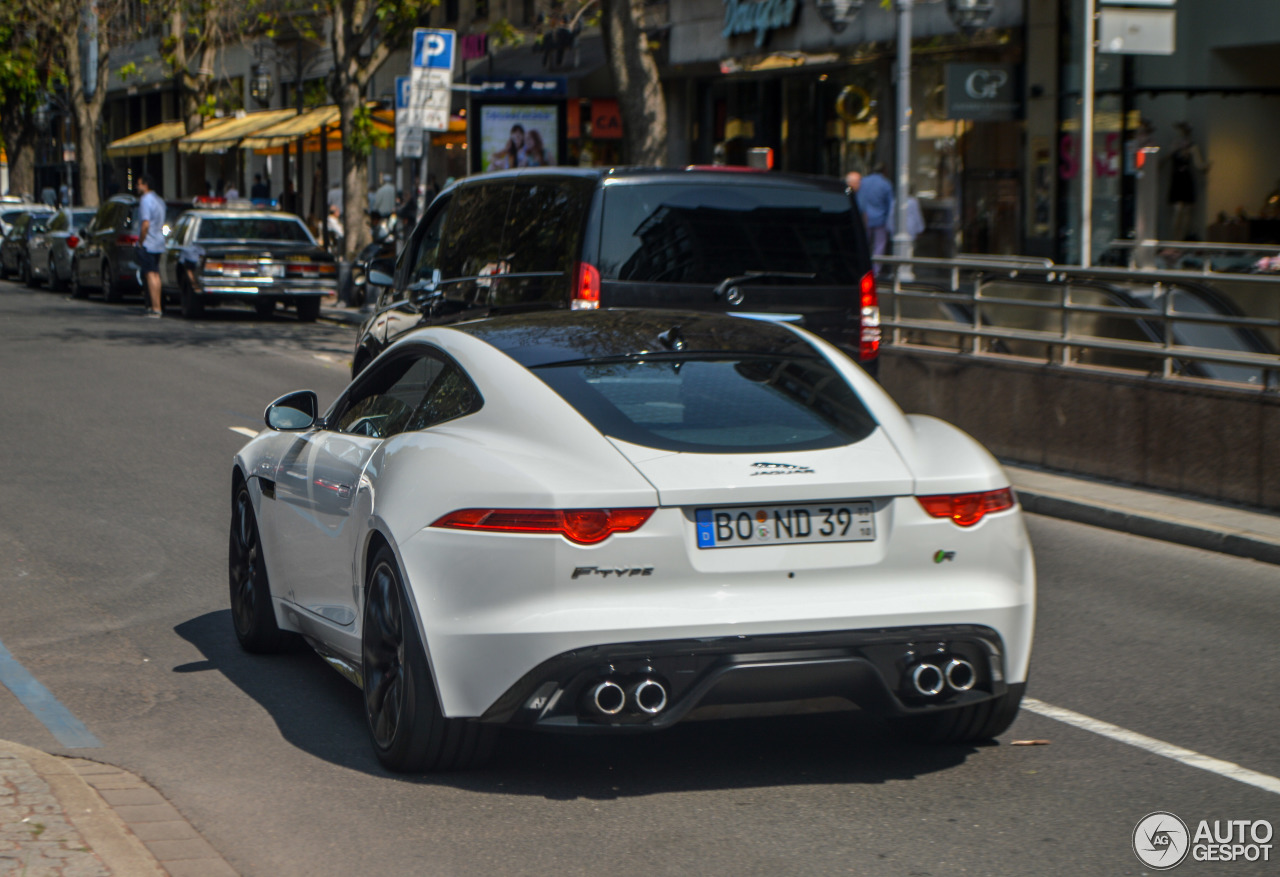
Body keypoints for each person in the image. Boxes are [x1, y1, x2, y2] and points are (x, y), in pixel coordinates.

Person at [1168, 122, 1209, 241]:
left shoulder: (1192, 146)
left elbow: (1198, 163)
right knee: (1177, 210)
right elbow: (1170, 157)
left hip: (1186, 178)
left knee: (1187, 212)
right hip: (1177, 178)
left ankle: (1181, 239)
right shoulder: (1175, 144)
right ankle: (1175, 239)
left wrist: (1204, 167)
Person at [136, 173, 167, 318]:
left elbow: (145, 223)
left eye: (139, 184)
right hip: (159, 241)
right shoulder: (160, 201)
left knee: (149, 274)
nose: (137, 187)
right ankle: (157, 305)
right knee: (156, 273)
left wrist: (141, 241)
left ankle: (155, 307)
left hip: (149, 242)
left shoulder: (145, 201)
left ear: (145, 185)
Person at [856, 162, 895, 274]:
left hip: (864, 217)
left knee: (864, 244)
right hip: (880, 219)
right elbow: (889, 205)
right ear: (884, 171)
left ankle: (863, 268)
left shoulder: (863, 181)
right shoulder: (886, 184)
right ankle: (875, 271)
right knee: (879, 245)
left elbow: (859, 200)